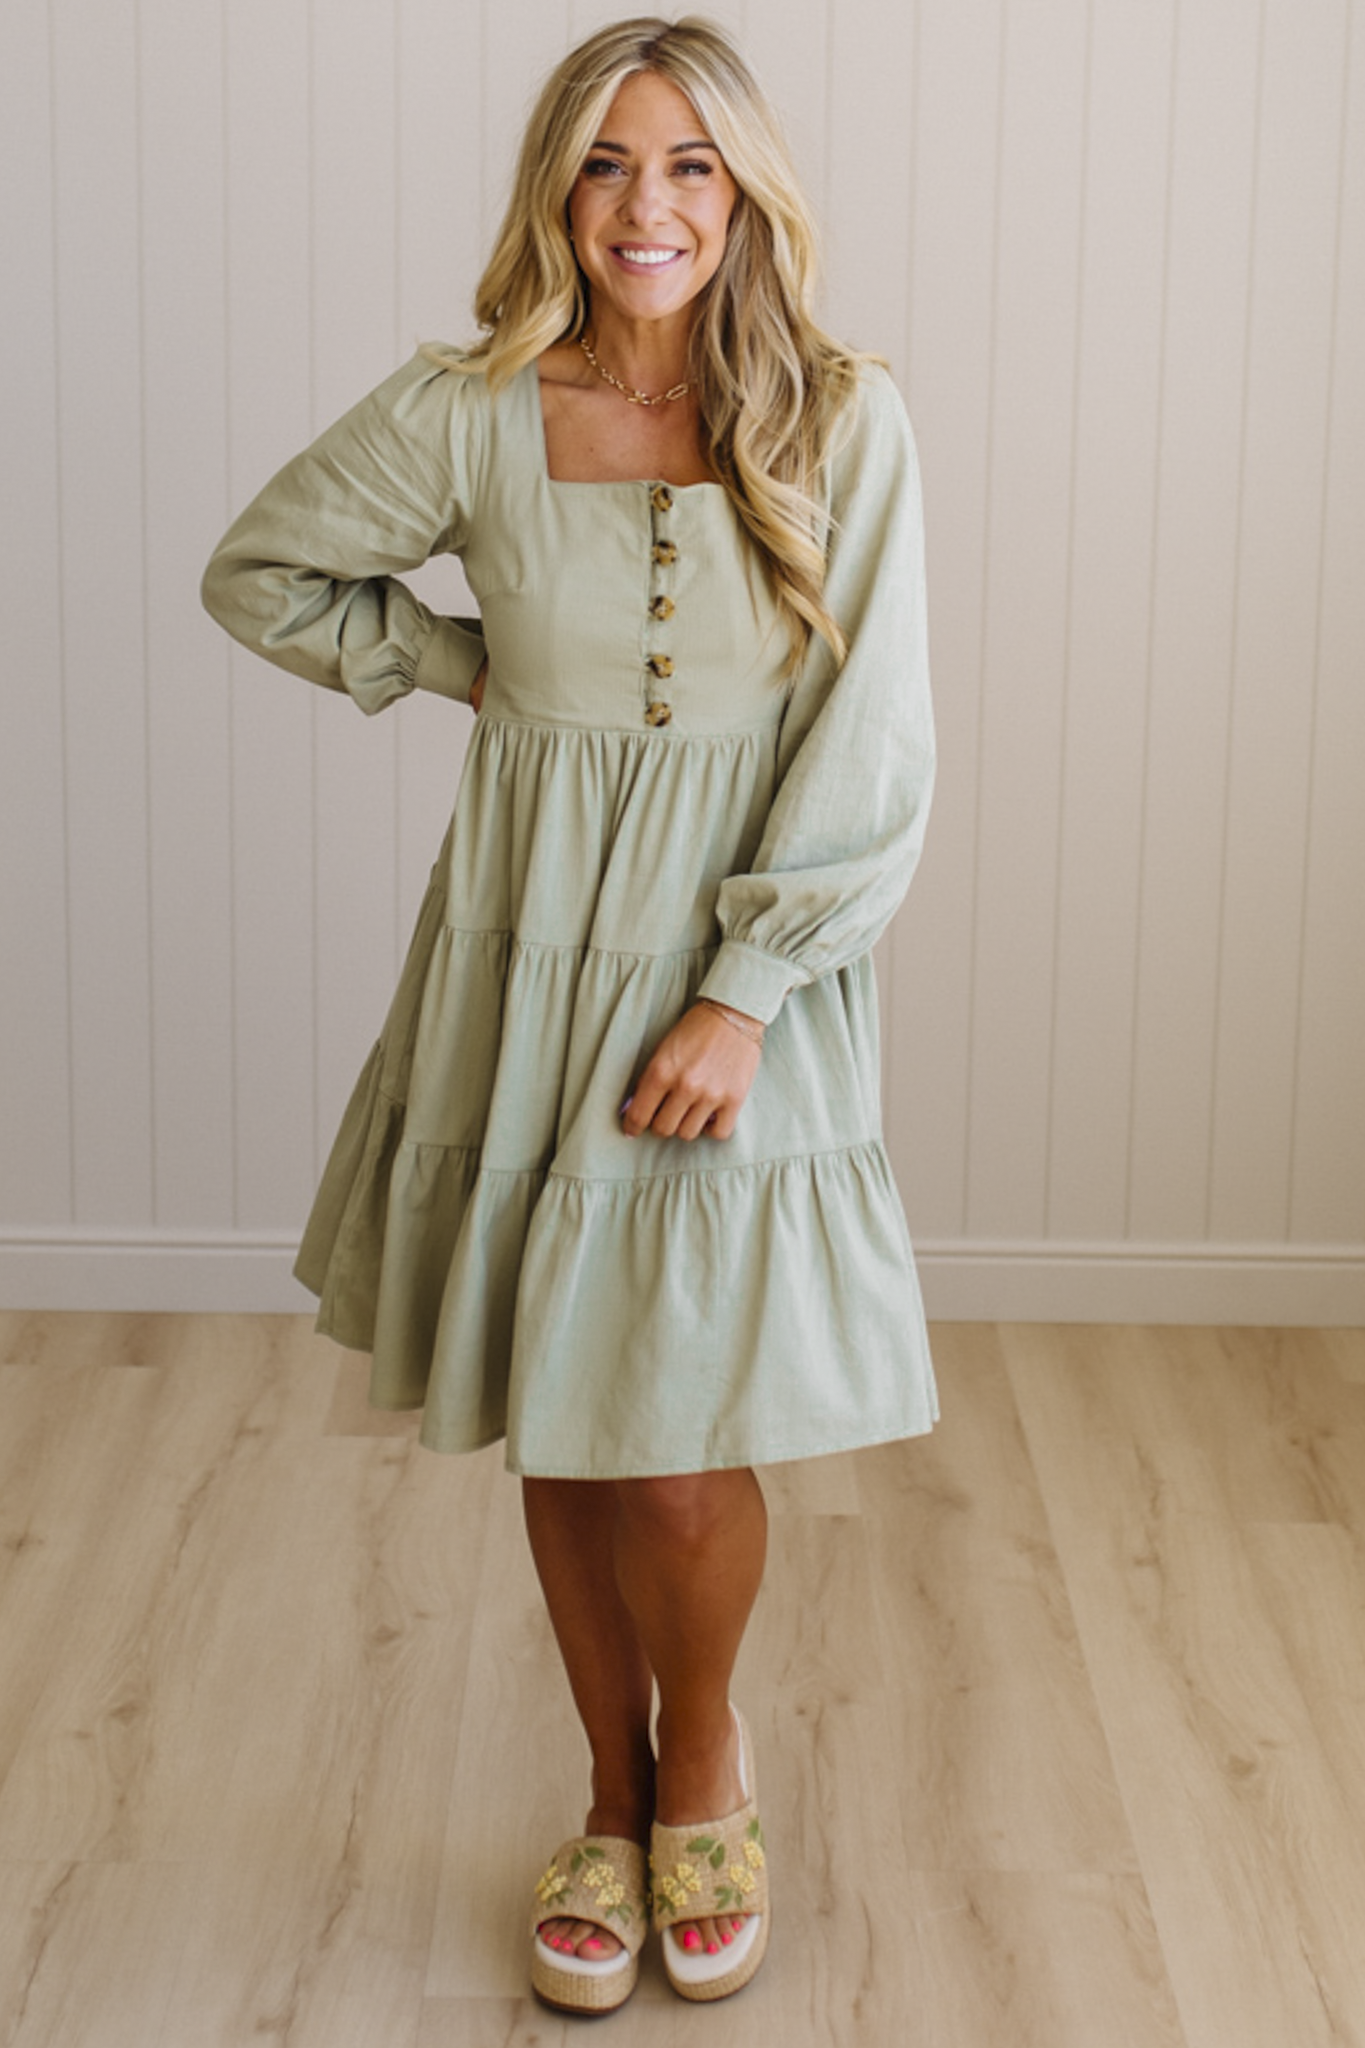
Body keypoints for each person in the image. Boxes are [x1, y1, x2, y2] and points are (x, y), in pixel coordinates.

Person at [202, 13, 936, 2015]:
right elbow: (260, 572)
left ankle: (705, 1759)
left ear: (747, 191)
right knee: (577, 1411)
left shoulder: (839, 421)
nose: (646, 206)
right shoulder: (470, 409)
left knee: (682, 1433)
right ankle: (602, 1789)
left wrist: (746, 993)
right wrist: (478, 678)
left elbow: (874, 750)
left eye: (691, 163)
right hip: (522, 959)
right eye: (607, 164)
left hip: (731, 987)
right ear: (555, 189)